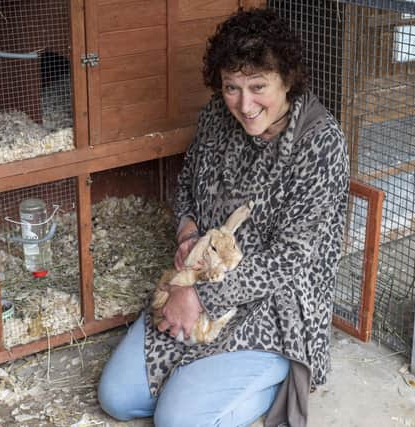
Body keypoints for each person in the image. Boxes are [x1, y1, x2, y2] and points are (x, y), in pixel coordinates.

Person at [97, 8, 349, 427]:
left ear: (287, 80)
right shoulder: (217, 116)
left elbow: (288, 259)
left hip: (274, 305)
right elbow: (188, 186)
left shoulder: (320, 144)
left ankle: (284, 376)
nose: (244, 104)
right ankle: (204, 381)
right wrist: (187, 230)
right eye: (231, 87)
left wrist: (198, 299)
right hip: (202, 277)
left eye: (258, 87)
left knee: (176, 422)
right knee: (118, 399)